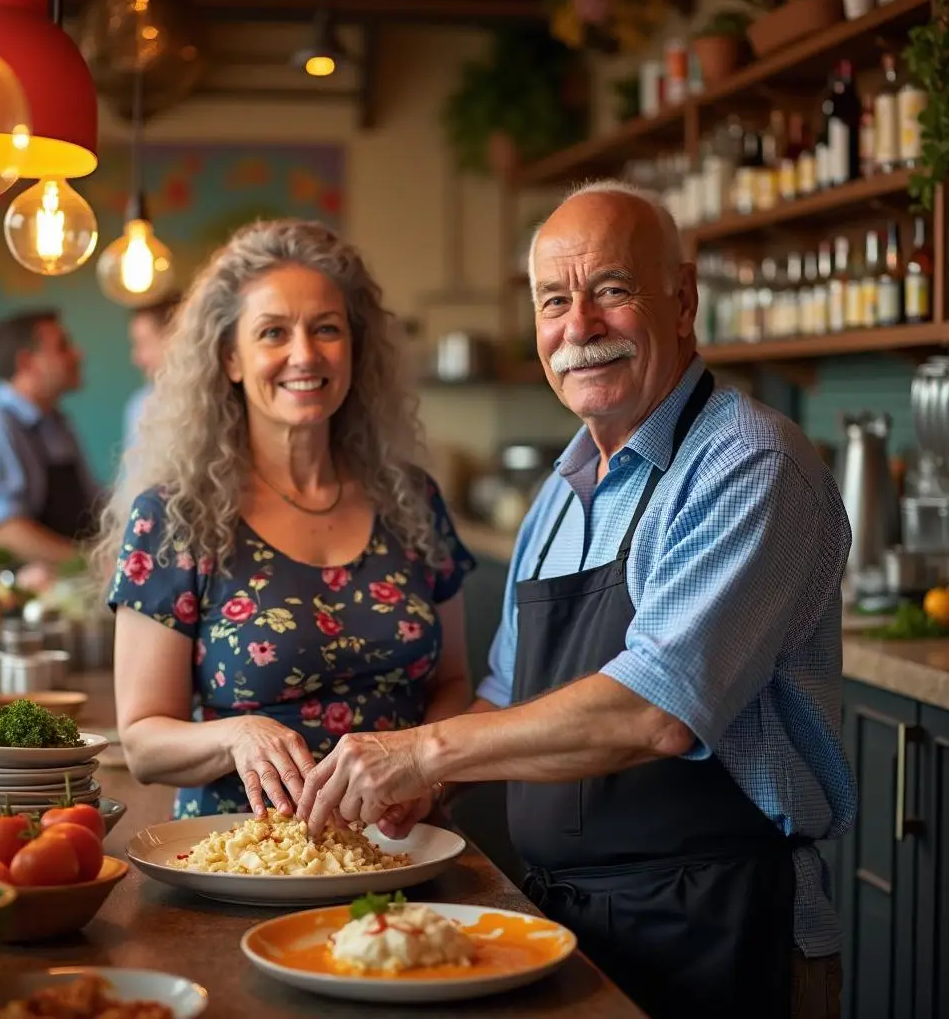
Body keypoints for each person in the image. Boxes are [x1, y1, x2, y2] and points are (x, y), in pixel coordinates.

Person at [296, 181, 857, 1019]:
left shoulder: (748, 465)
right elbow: (510, 686)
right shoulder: (562, 488)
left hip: (720, 929)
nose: (580, 326)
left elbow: (657, 713)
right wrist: (423, 793)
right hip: (567, 923)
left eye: (613, 290)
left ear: (683, 300)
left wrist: (424, 752)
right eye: (554, 300)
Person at [93, 219, 475, 833]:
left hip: (405, 849)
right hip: (242, 855)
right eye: (274, 332)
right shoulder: (176, 518)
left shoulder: (411, 500)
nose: (305, 354)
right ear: (231, 359)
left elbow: (454, 682)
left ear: (355, 348)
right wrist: (237, 737)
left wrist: (426, 776)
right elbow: (142, 743)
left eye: (326, 328)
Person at [0, 309, 100, 565]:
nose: (78, 354)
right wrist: (93, 564)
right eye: (63, 346)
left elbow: (92, 503)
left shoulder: (59, 424)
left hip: (62, 590)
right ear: (27, 362)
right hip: (9, 598)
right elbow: (6, 533)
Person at [122, 292, 182, 450]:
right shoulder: (141, 408)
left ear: (175, 339)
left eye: (143, 344)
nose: (136, 358)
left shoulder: (219, 396)